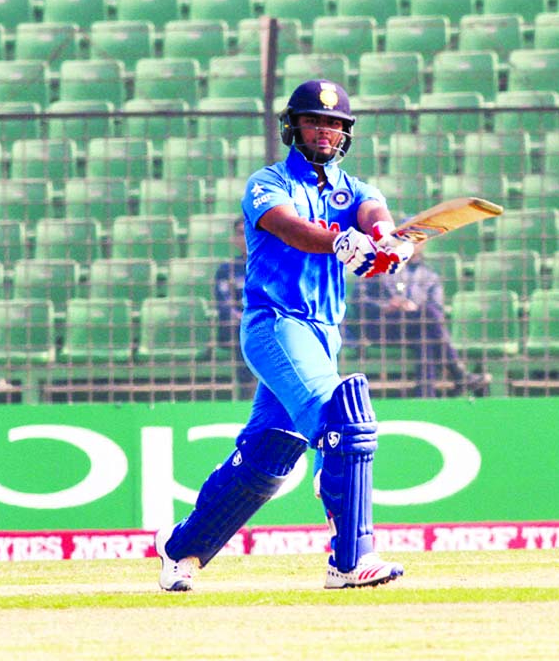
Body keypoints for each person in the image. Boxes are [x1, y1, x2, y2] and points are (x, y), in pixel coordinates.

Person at [155, 79, 415, 591]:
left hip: (323, 333)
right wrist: (343, 242)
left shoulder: (355, 189)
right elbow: (291, 228)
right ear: (292, 126)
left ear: (346, 134)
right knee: (346, 424)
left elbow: (373, 214)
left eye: (335, 124)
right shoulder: (267, 183)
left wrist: (388, 242)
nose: (325, 131)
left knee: (268, 456)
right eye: (314, 121)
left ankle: (181, 549)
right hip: (276, 323)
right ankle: (350, 559)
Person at [347, 242, 491, 397]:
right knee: (428, 320)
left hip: (417, 328)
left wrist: (414, 308)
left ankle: (425, 396)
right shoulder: (379, 266)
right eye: (406, 239)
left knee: (426, 335)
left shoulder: (429, 275)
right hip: (384, 328)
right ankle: (458, 372)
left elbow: (438, 309)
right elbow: (358, 299)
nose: (411, 244)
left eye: (416, 240)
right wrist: (386, 306)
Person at [214, 217, 255, 400]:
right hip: (239, 329)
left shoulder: (272, 265)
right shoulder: (227, 270)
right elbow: (224, 305)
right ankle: (246, 395)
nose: (245, 237)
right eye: (240, 233)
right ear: (233, 239)